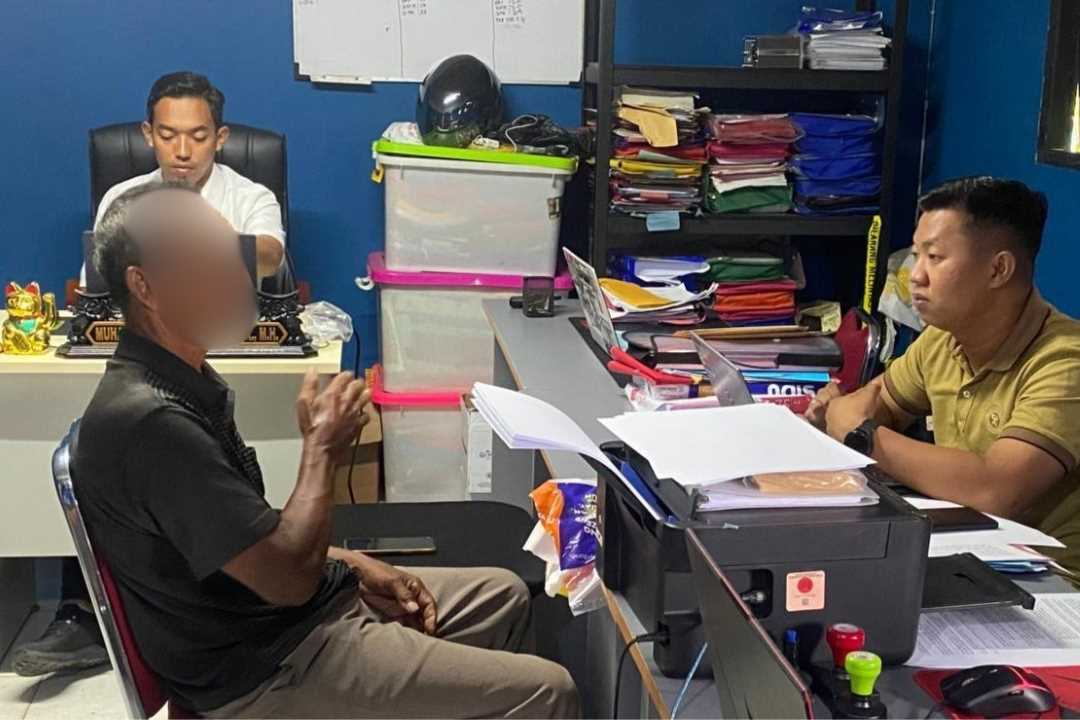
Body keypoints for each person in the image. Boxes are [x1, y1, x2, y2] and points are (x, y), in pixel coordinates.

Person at [66, 182, 579, 718]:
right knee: (550, 690)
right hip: (264, 668)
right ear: (145, 286)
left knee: (503, 596)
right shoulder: (152, 424)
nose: (240, 278)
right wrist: (321, 450)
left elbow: (243, 538)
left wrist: (353, 566)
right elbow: (286, 579)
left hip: (286, 622)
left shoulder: (176, 381)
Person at [13, 71, 287, 677]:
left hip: (225, 349)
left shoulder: (248, 195)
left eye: (197, 136)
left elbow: (268, 255)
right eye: (168, 135)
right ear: (147, 134)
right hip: (146, 355)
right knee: (105, 444)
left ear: (220, 138)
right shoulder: (125, 198)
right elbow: (101, 280)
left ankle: (239, 581)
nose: (182, 150)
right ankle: (84, 611)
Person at [807, 177, 1080, 573]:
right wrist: (839, 418)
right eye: (916, 255)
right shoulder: (943, 338)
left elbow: (996, 490)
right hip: (971, 554)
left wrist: (862, 434)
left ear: (998, 269)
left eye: (934, 257)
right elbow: (878, 403)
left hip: (1052, 581)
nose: (915, 275)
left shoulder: (1065, 361)